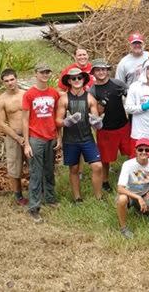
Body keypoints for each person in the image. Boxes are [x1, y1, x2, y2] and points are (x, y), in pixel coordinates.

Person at [55, 67, 104, 202]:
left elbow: (96, 120)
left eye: (79, 78)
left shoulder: (90, 98)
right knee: (74, 168)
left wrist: (97, 122)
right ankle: (77, 197)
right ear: (69, 81)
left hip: (87, 138)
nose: (77, 80)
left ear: (83, 80)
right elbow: (57, 120)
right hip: (70, 139)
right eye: (73, 78)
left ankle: (98, 197)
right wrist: (66, 122)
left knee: (97, 166)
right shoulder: (64, 99)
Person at [22, 63, 61, 224]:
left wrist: (59, 137)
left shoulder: (54, 93)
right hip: (36, 138)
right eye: (42, 72)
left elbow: (57, 117)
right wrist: (27, 144)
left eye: (47, 72)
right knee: (36, 173)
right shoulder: (29, 94)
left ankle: (50, 199)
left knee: (49, 170)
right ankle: (34, 207)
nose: (45, 75)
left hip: (51, 136)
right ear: (36, 74)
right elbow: (25, 120)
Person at [90, 58, 133, 191]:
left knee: (130, 153)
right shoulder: (93, 91)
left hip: (123, 125)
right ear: (94, 73)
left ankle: (131, 177)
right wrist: (102, 102)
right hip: (106, 129)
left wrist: (126, 93)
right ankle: (105, 181)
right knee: (105, 158)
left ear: (108, 71)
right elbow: (96, 112)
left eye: (103, 69)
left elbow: (131, 95)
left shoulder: (117, 83)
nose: (101, 72)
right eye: (98, 70)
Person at [115, 139, 149, 239]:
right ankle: (123, 228)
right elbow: (120, 188)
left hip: (145, 193)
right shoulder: (128, 165)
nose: (143, 152)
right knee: (122, 199)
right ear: (135, 150)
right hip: (129, 194)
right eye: (140, 149)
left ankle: (140, 208)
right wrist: (138, 197)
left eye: (147, 150)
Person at [0, 68, 28, 206]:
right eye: (6, 81)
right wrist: (17, 137)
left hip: (31, 135)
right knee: (14, 168)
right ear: (3, 83)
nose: (10, 83)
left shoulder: (26, 95)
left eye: (12, 79)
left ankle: (38, 191)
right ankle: (18, 196)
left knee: (35, 165)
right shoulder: (1, 100)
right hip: (13, 136)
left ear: (16, 79)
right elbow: (1, 123)